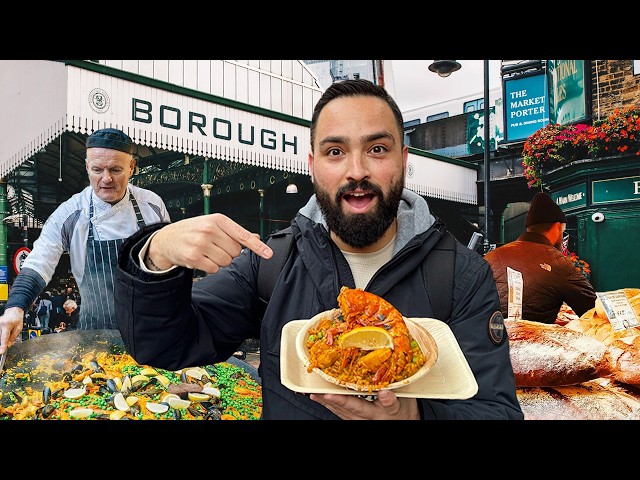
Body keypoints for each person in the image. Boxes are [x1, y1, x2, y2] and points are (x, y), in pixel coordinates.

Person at [113, 79, 524, 420]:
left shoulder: (462, 273)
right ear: (313, 165)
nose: (357, 170)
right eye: (335, 151)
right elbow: (163, 345)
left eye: (377, 149)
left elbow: (497, 411)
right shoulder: (269, 263)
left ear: (403, 159)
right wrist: (155, 255)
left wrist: (411, 417)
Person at [0, 128, 171, 354]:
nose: (106, 178)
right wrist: (15, 307)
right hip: (94, 334)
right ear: (87, 167)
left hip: (151, 330)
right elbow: (38, 262)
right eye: (97, 169)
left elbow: (170, 259)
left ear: (131, 168)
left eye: (116, 169)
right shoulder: (71, 212)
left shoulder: (152, 205)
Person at [484, 191, 597, 324]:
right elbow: (593, 311)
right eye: (562, 231)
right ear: (556, 227)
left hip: (486, 339)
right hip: (532, 341)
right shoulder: (557, 262)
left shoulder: (491, 256)